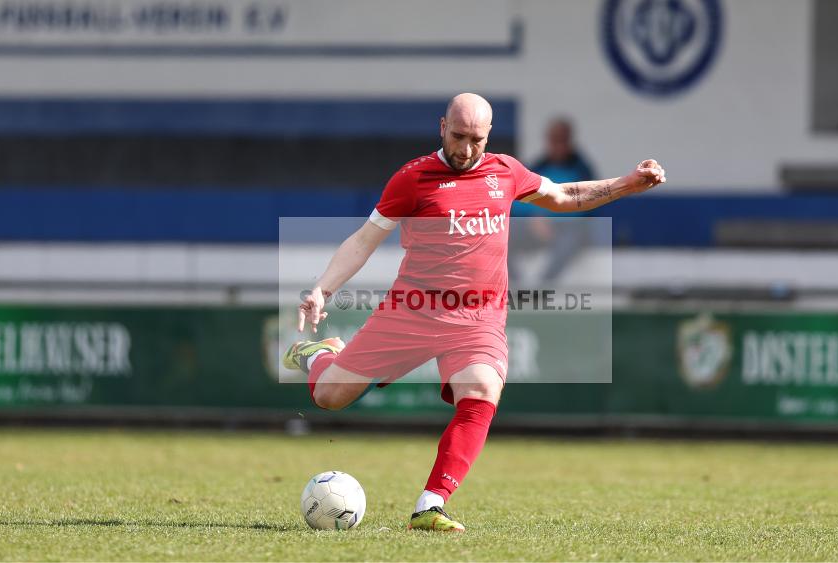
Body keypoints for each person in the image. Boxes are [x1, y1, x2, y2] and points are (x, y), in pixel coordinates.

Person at [282, 93, 665, 532]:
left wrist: (628, 184)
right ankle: (319, 353)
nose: (465, 149)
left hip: (479, 318)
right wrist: (322, 289)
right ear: (442, 126)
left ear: (489, 135)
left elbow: (565, 195)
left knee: (482, 389)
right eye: (458, 136)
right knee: (329, 396)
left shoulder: (506, 172)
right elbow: (363, 240)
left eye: (476, 139)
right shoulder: (412, 178)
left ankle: (430, 504)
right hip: (414, 309)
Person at [508, 117, 597, 286]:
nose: (558, 146)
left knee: (570, 240)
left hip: (568, 229)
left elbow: (586, 206)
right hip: (536, 228)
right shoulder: (539, 167)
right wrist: (536, 216)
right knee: (502, 234)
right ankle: (516, 286)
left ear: (569, 141)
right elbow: (517, 200)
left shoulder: (582, 170)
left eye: (562, 140)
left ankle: (542, 287)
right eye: (554, 140)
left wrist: (549, 219)